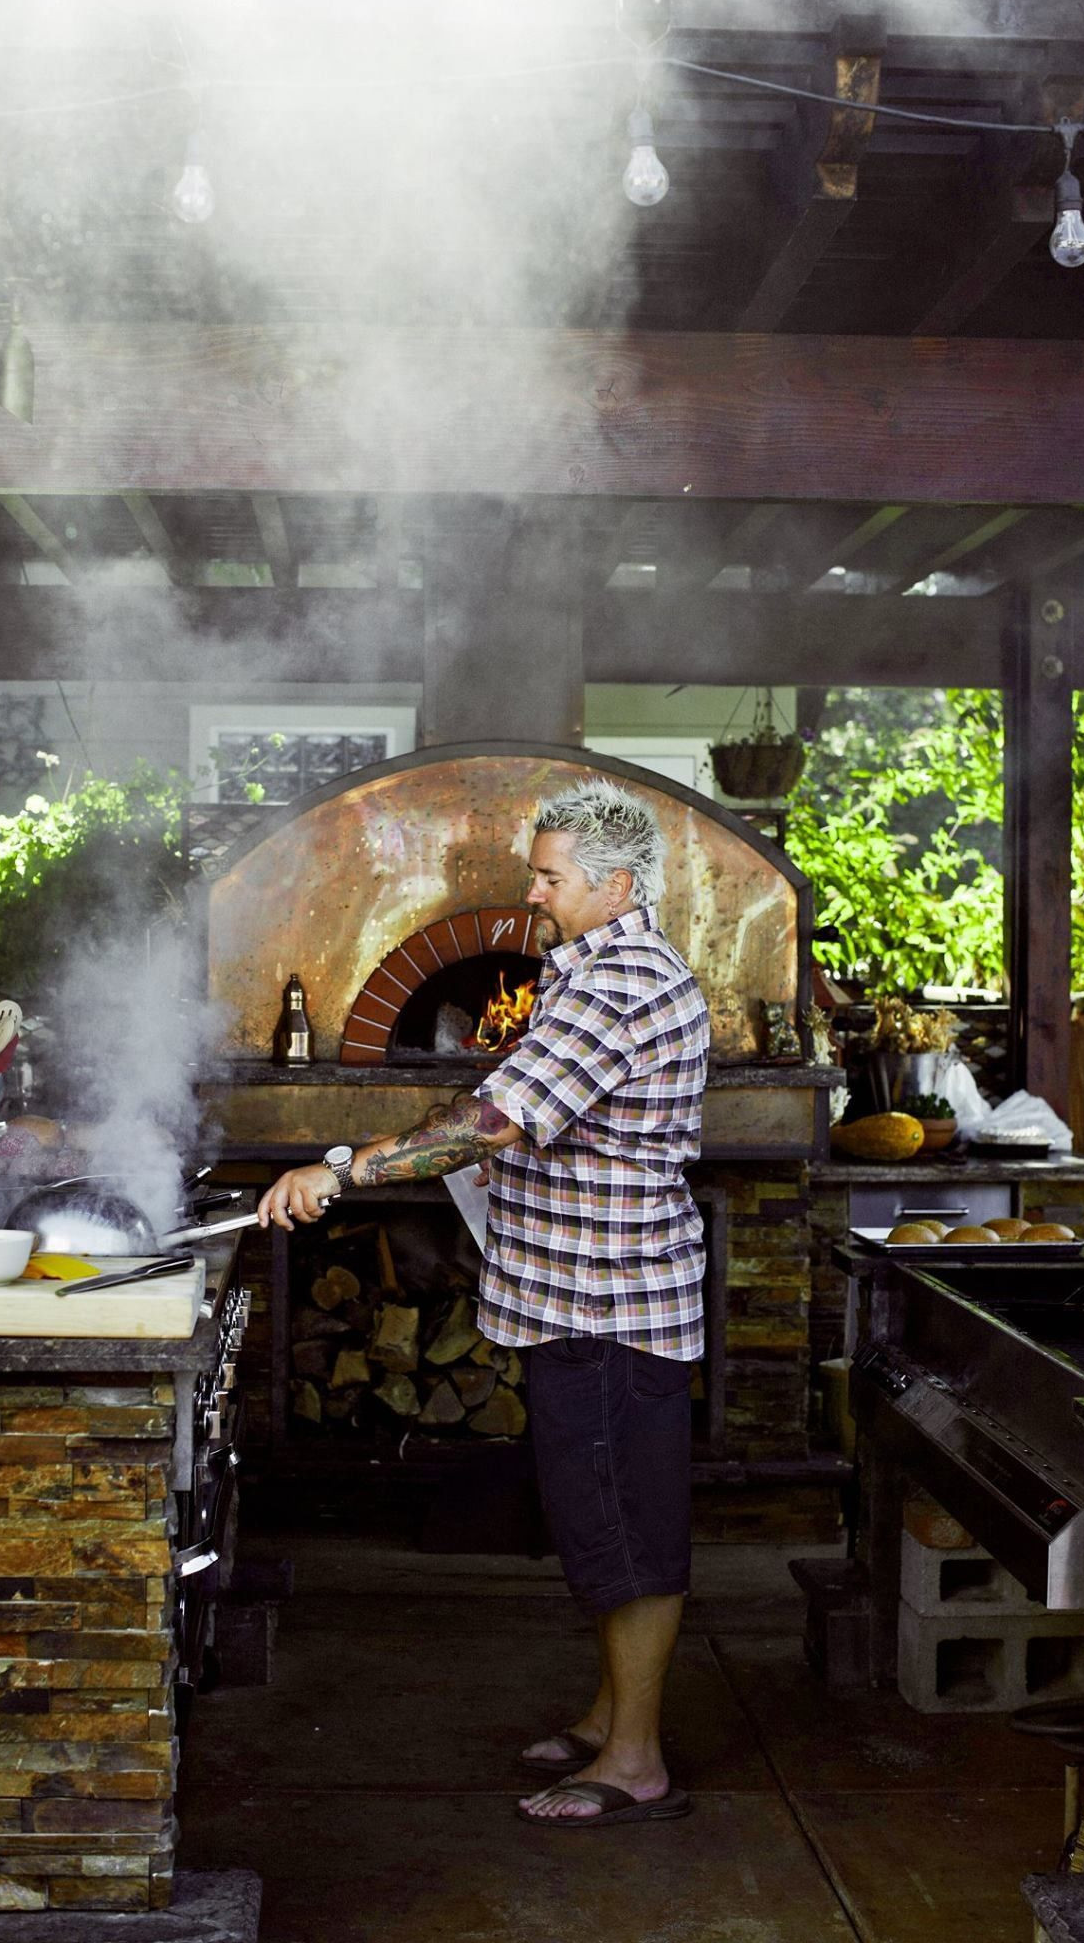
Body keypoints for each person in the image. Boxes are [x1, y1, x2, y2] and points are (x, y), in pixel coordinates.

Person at [256, 778, 711, 1828]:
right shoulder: (585, 970)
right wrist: (358, 1151)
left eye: (551, 877)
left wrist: (345, 1176)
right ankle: (611, 1716)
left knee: (628, 1529)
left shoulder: (622, 980)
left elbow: (497, 1119)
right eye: (537, 871)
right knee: (599, 1514)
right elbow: (487, 1096)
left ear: (617, 885)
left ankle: (635, 1760)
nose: (534, 892)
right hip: (581, 1295)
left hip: (610, 1303)